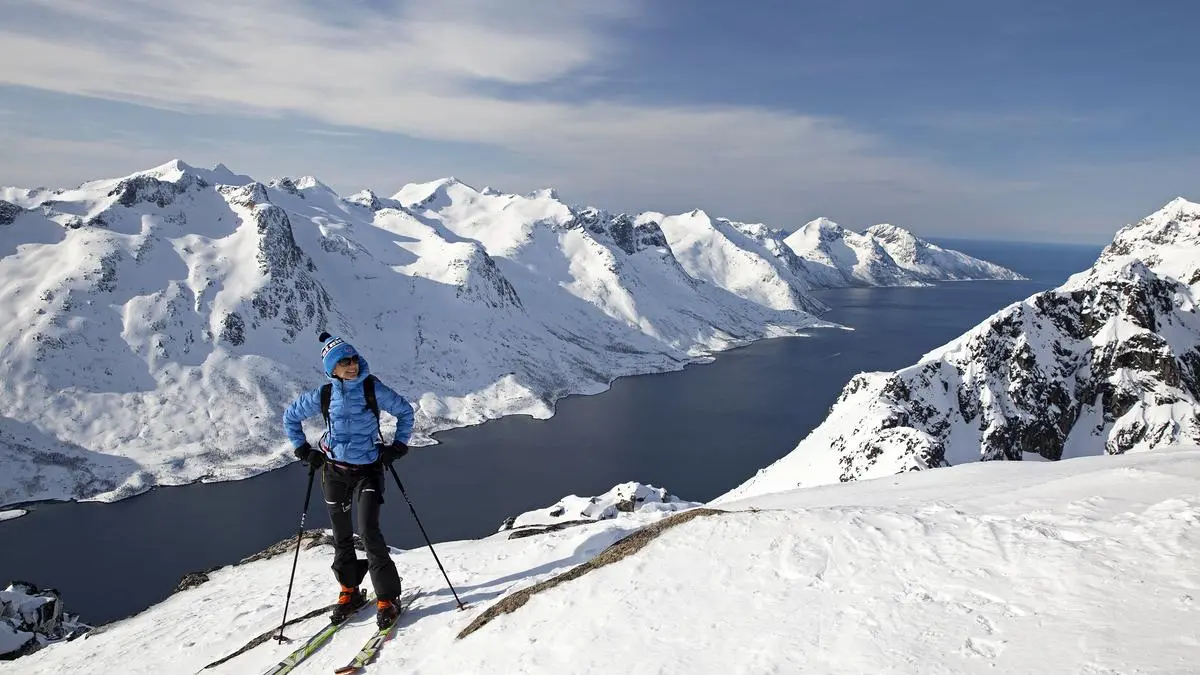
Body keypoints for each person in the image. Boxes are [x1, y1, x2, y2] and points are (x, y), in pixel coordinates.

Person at [282, 331, 415, 628]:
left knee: (369, 532)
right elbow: (290, 417)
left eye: (354, 359)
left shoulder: (372, 388)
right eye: (344, 362)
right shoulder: (325, 394)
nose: (352, 366)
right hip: (334, 471)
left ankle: (388, 597)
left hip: (368, 469)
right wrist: (303, 450)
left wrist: (398, 446)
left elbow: (405, 412)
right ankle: (349, 591)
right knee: (340, 534)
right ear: (332, 368)